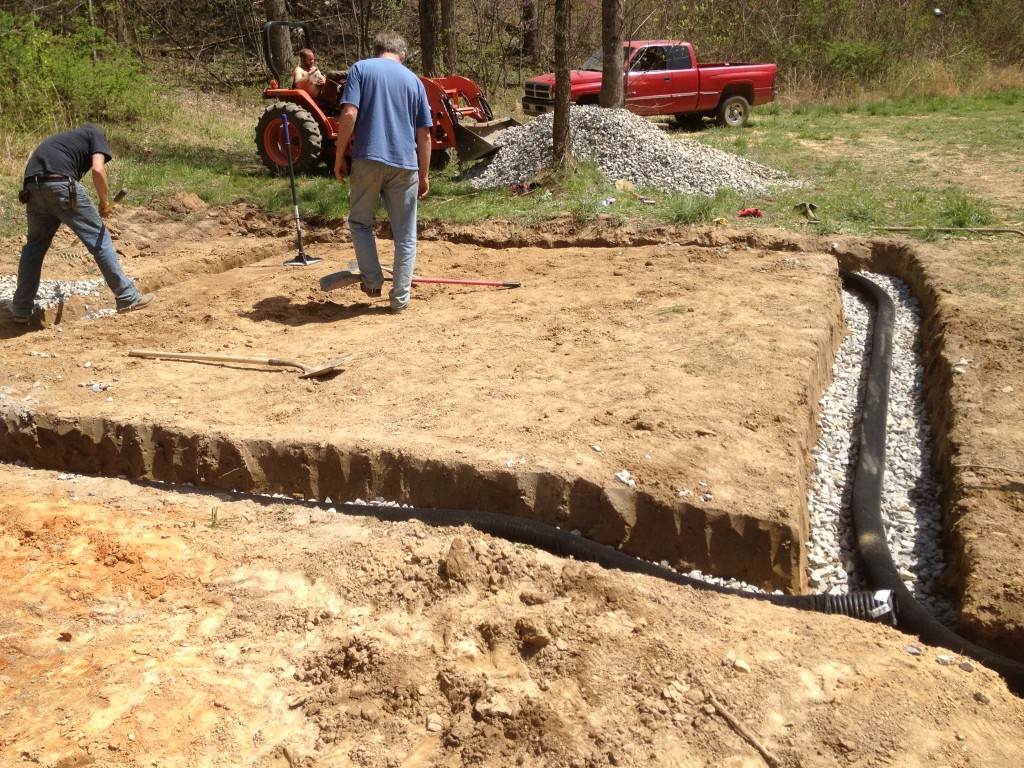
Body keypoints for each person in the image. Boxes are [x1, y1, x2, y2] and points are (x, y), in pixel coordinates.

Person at [11, 123, 154, 324]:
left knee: (34, 247)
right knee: (99, 238)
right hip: (60, 184)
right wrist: (104, 202)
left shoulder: (64, 141)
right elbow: (98, 169)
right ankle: (127, 297)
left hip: (32, 188)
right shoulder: (95, 133)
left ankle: (21, 308)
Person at [333, 31, 432, 314]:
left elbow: (349, 114)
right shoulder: (414, 81)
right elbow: (424, 136)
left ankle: (373, 281)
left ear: (376, 50)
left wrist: (340, 156)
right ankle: (399, 300)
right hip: (405, 165)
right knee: (405, 236)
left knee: (360, 223)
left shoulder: (361, 69)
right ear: (401, 56)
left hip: (367, 158)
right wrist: (424, 175)